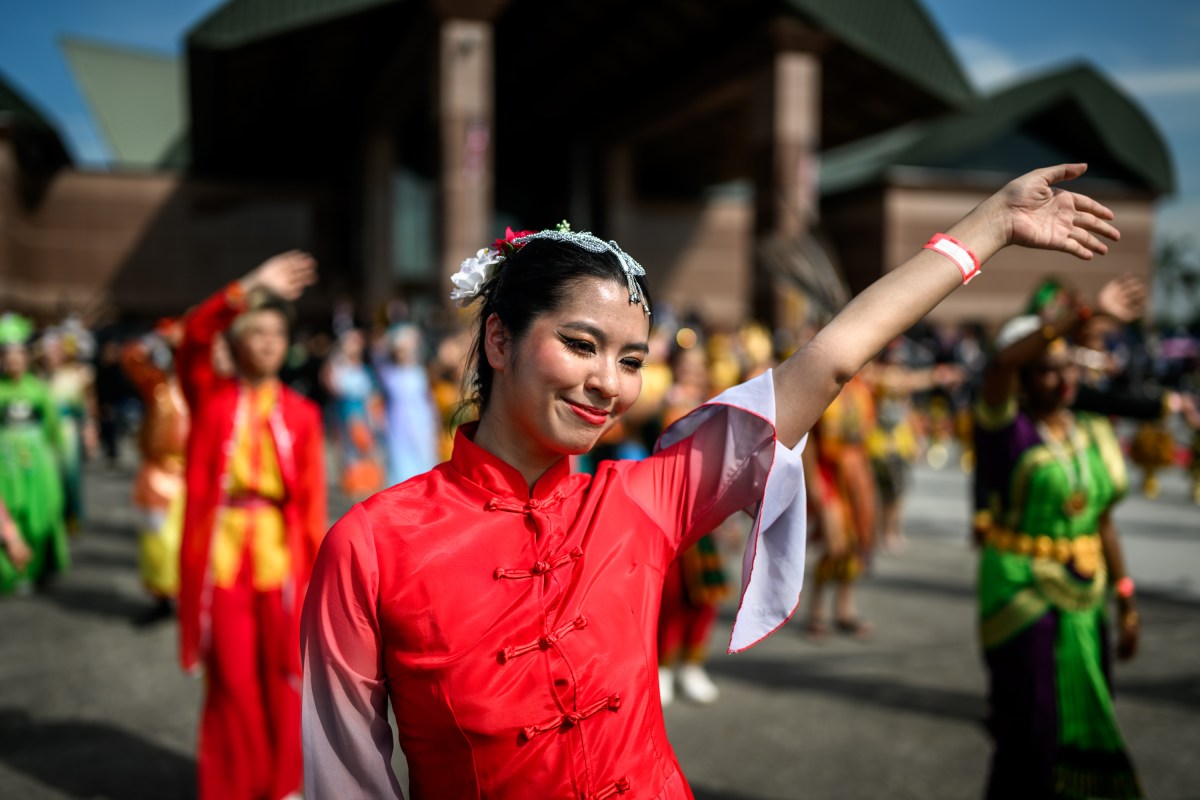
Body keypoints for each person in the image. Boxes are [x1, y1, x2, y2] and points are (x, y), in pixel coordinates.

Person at [301, 164, 1120, 799]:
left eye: (630, 360)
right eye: (581, 345)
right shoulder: (371, 544)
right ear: (498, 340)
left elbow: (831, 360)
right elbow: (346, 775)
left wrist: (991, 225)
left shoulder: (644, 501)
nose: (608, 384)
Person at [973, 274, 1146, 799]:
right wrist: (1083, 314)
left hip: (1086, 595)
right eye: (1047, 371)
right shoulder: (1006, 429)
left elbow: (1102, 521)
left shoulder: (1090, 430)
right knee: (1032, 725)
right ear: (1025, 379)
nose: (1063, 380)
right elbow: (1001, 364)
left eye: (1068, 367)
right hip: (1021, 592)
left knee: (1087, 710)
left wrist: (1125, 596)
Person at [176, 253, 327, 800]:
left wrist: (317, 581)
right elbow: (195, 333)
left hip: (282, 560)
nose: (266, 342)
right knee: (232, 683)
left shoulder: (303, 414)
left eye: (276, 333)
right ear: (239, 340)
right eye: (256, 331)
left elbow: (311, 506)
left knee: (286, 678)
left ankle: (285, 785)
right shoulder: (209, 397)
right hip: (222, 558)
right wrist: (249, 287)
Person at [121, 318, 190, 622]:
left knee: (191, 543)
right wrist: (156, 338)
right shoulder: (156, 386)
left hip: (191, 476)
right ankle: (162, 599)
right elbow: (129, 358)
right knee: (157, 542)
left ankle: (191, 598)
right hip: (156, 475)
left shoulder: (200, 389)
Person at [0, 313, 67, 595]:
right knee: (10, 516)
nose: (14, 360)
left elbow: (53, 430)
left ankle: (36, 569)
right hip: (6, 467)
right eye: (7, 354)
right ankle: (10, 573)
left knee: (40, 515)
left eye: (18, 353)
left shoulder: (39, 391)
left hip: (38, 467)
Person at [375, 324, 440, 485]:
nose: (402, 354)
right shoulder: (387, 373)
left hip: (420, 422)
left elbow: (429, 399)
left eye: (405, 350)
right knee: (400, 464)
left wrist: (435, 422)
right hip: (397, 424)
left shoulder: (420, 372)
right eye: (399, 350)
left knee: (423, 460)